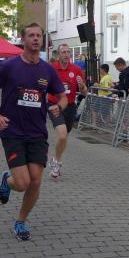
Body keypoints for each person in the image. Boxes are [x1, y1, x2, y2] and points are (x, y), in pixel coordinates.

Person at [0, 23, 67, 241]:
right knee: (22, 183)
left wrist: (60, 106)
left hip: (37, 133)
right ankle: (7, 180)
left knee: (35, 180)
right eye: (31, 35)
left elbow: (62, 96)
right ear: (23, 40)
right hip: (12, 131)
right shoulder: (9, 66)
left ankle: (20, 221)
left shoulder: (47, 70)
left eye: (39, 35)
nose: (36, 39)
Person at [47, 44, 86, 179]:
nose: (66, 54)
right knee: (62, 135)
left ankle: (55, 159)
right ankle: (57, 163)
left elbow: (84, 92)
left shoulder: (76, 70)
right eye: (63, 52)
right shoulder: (51, 68)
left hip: (70, 107)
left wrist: (82, 85)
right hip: (55, 105)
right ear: (58, 55)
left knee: (64, 136)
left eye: (68, 52)